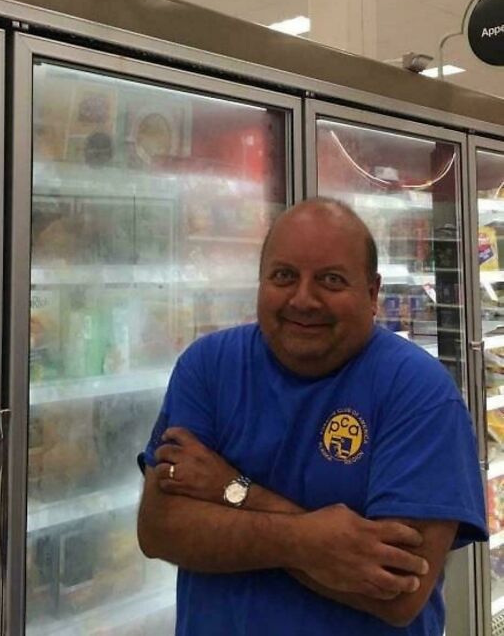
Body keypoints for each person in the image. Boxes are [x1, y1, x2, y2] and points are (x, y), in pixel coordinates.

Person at [137, 197, 487, 635]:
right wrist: (308, 539)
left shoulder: (419, 392)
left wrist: (234, 489)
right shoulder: (208, 367)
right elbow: (159, 529)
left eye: (331, 280)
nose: (303, 299)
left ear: (372, 293)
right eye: (284, 276)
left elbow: (399, 591)